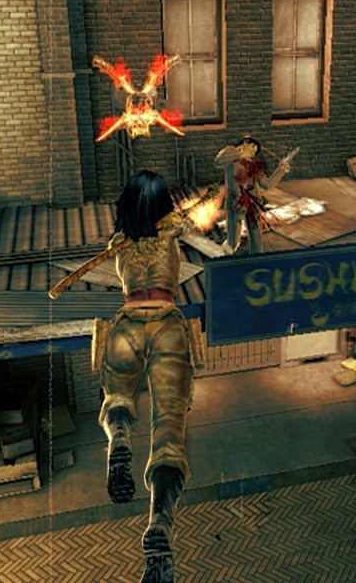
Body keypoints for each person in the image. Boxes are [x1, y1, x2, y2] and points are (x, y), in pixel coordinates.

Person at [98, 169, 199, 583]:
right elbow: (191, 220)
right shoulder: (172, 231)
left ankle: (120, 437)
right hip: (167, 323)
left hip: (126, 324)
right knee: (169, 427)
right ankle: (160, 520)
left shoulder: (117, 243)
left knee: (118, 395)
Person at [217, 136, 291, 254]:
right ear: (243, 144)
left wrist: (281, 170)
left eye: (255, 150)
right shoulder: (232, 159)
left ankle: (257, 258)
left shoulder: (253, 166)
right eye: (252, 147)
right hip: (236, 204)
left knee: (256, 237)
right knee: (233, 241)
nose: (254, 151)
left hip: (252, 204)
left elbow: (267, 184)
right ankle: (227, 258)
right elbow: (218, 161)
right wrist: (237, 151)